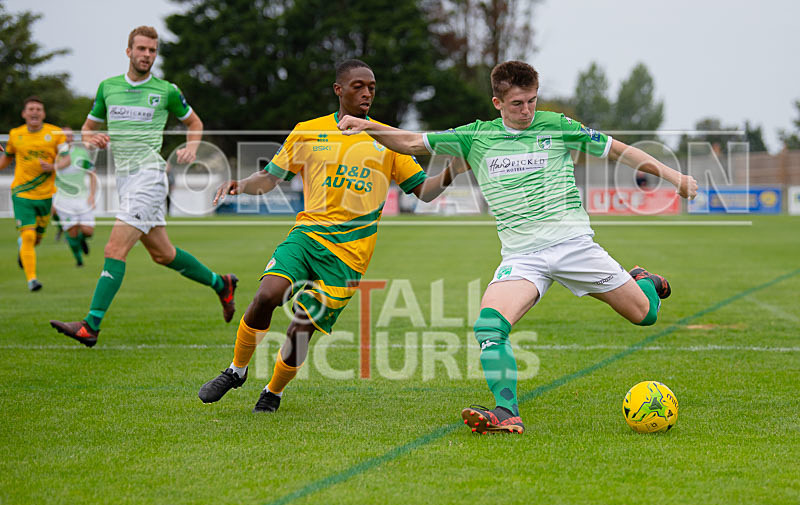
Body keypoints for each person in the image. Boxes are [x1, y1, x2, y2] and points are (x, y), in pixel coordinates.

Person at [338, 60, 698, 434]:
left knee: (645, 315)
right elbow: (412, 141)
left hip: (573, 245)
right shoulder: (476, 136)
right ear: (497, 102)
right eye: (517, 104)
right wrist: (367, 126)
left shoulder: (558, 126)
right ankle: (506, 412)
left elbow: (619, 151)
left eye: (532, 101)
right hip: (523, 257)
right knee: (489, 326)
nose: (526, 110)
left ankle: (643, 282)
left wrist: (675, 177)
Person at [197, 59, 460, 413]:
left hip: (350, 255)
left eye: (372, 87)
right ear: (338, 89)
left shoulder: (388, 139)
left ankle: (273, 391)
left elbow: (423, 192)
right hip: (307, 236)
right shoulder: (308, 131)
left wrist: (451, 171)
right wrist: (241, 185)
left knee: (301, 327)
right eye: (358, 86)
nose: (367, 93)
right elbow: (272, 177)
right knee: (267, 294)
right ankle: (236, 371)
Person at [50, 26, 237, 347]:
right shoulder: (108, 88)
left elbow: (194, 122)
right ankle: (222, 284)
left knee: (113, 249)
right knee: (163, 254)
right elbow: (87, 129)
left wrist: (192, 147)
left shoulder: (166, 90)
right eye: (141, 49)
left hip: (149, 176)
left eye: (152, 50)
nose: (147, 55)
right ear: (129, 52)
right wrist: (90, 138)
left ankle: (90, 325)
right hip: (126, 180)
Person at [0, 96, 69, 291]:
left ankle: (24, 249)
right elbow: (6, 158)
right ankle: (32, 280)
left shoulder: (55, 133)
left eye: (38, 109)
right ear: (24, 114)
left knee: (36, 239)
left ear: (43, 114)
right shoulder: (15, 135)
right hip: (21, 193)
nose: (34, 112)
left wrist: (54, 165)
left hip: (46, 195)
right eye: (31, 109)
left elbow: (66, 159)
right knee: (29, 236)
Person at [53, 127, 97, 267]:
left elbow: (92, 173)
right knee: (72, 231)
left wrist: (92, 195)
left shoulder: (80, 153)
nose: (67, 138)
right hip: (62, 198)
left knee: (88, 231)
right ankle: (79, 261)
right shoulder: (53, 154)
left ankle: (81, 240)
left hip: (81, 197)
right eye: (64, 136)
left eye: (70, 136)